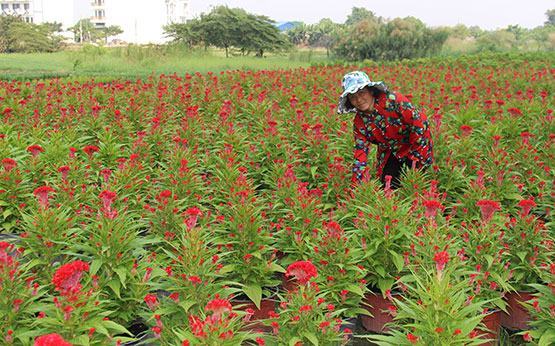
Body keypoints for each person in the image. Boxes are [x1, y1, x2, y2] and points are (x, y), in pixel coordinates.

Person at [337, 71, 433, 189]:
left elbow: (419, 124)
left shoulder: (393, 100)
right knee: (388, 186)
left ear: (371, 91)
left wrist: (416, 158)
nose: (359, 100)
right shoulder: (359, 123)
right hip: (391, 150)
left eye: (362, 93)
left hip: (415, 143)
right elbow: (360, 154)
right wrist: (356, 187)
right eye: (353, 97)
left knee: (416, 182)